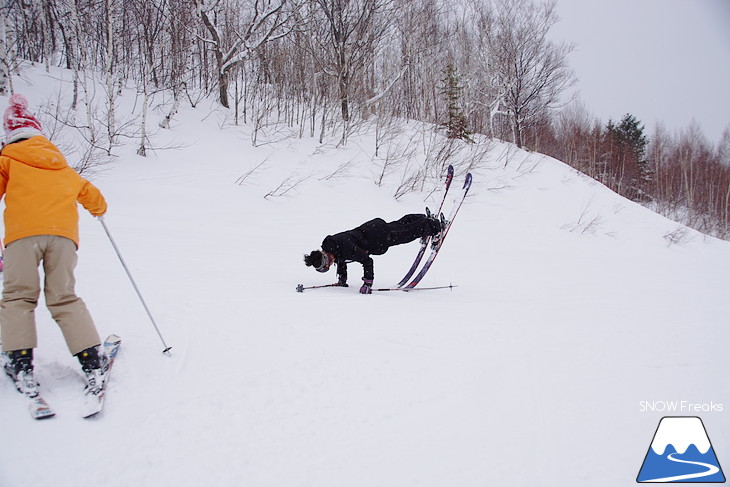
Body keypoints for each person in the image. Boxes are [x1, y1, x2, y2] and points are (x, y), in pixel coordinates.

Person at [0, 94, 108, 399]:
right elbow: (93, 196)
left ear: (9, 134)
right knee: (64, 297)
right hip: (63, 239)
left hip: (21, 238)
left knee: (18, 296)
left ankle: (19, 362)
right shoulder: (60, 164)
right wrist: (97, 209)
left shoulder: (7, 159)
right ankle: (92, 360)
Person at [304, 213, 444, 294]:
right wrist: (342, 280)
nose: (331, 264)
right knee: (401, 225)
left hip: (378, 237)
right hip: (373, 228)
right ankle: (424, 219)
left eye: (328, 265)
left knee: (406, 233)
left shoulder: (344, 248)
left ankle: (435, 227)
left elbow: (367, 261)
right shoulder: (333, 246)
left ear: (327, 259)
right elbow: (341, 260)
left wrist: (367, 283)